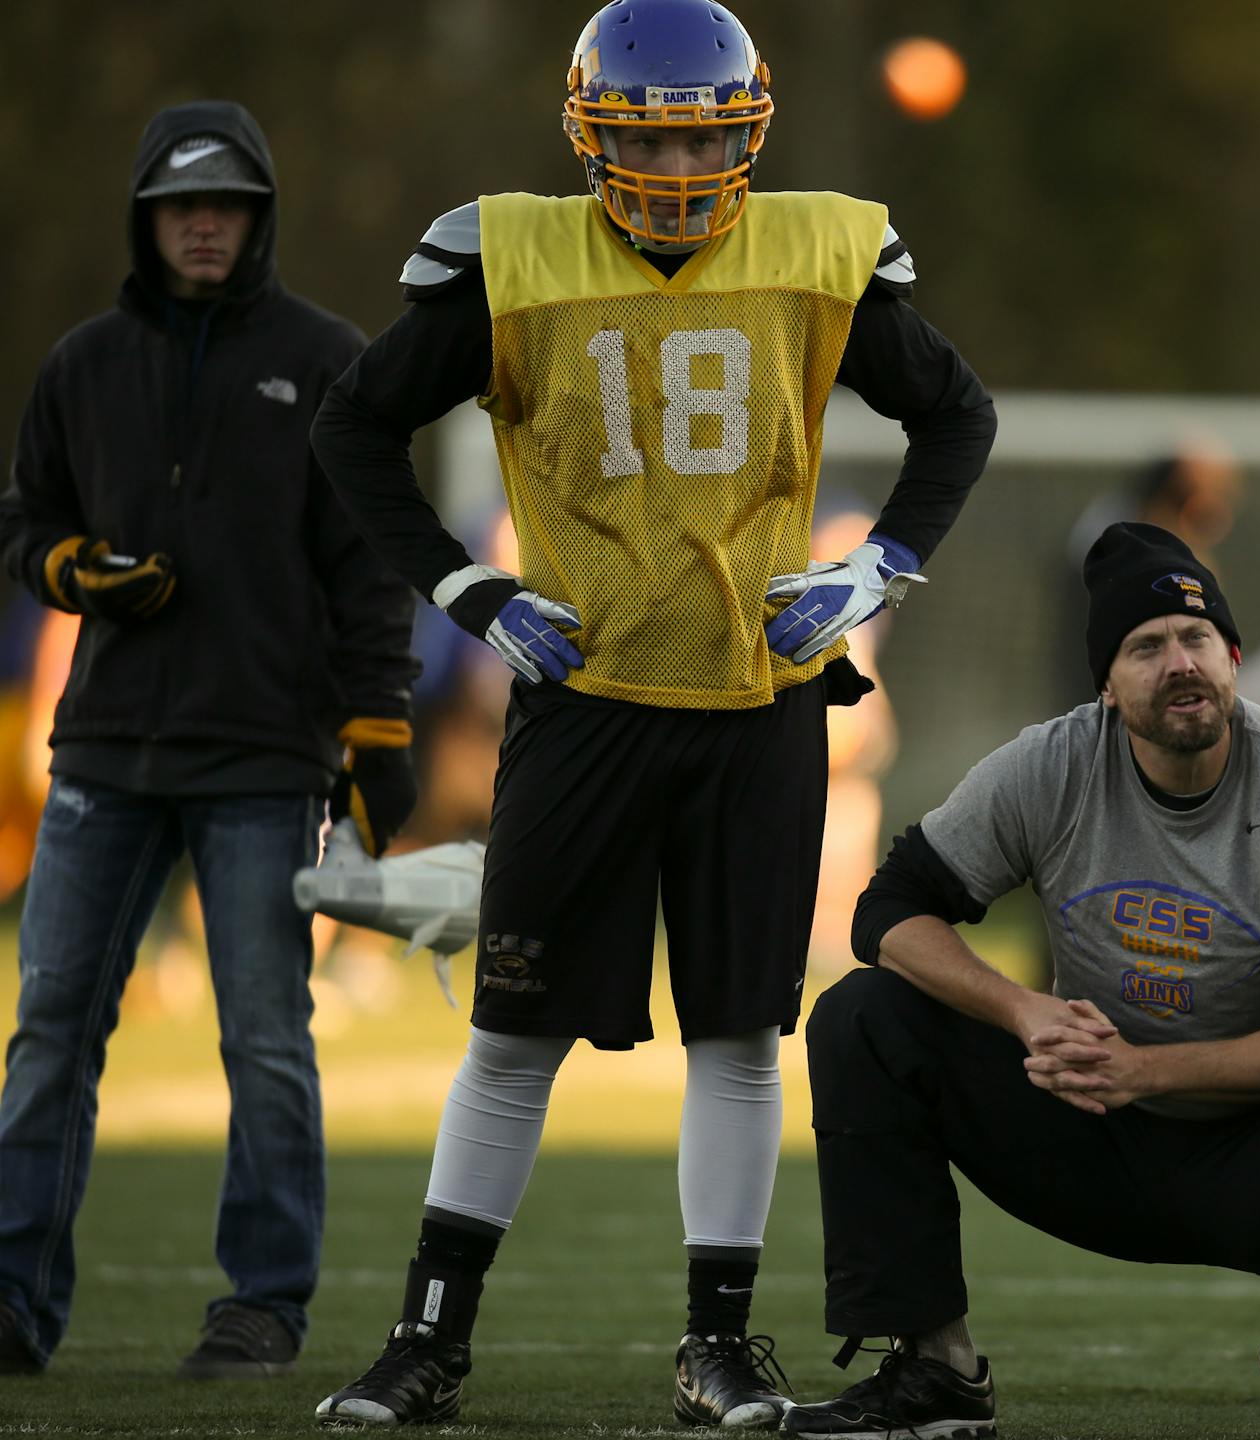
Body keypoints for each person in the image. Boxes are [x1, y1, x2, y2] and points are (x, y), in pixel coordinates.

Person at [306, 0, 996, 1427]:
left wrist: (877, 569)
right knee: (513, 1034)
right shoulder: (509, 253)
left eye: (702, 133)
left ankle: (718, 1348)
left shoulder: (821, 248)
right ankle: (428, 1338)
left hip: (758, 702)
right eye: (647, 133)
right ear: (591, 135)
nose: (678, 165)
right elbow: (351, 426)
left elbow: (959, 415)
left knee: (741, 1035)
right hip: (584, 702)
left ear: (745, 133)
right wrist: (469, 589)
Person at [783, 522, 1260, 1440]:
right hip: (1078, 1131)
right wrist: (1024, 1012)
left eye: (1197, 641)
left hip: (1251, 1158)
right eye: (1146, 647)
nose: (1179, 664)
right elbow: (888, 912)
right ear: (1106, 685)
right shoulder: (1055, 762)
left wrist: (1149, 1071)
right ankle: (933, 1372)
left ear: (1234, 656)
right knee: (862, 1016)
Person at [0, 102, 419, 1380]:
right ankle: (12, 1300)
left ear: (258, 219)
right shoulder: (82, 363)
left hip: (262, 762)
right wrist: (72, 570)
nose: (203, 224)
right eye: (183, 204)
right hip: (106, 755)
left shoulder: (327, 358)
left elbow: (371, 563)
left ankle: (262, 1309)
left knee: (264, 1042)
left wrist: (378, 726)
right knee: (51, 1034)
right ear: (146, 216)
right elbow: (25, 521)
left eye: (227, 205)